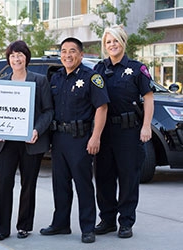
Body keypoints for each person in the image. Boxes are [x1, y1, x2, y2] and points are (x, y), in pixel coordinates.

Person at [40, 37, 109, 243]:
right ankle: (61, 223)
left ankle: (88, 227)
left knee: (83, 184)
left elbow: (102, 108)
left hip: (81, 139)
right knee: (60, 184)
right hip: (59, 138)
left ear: (80, 54)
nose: (67, 55)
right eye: (63, 51)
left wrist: (95, 137)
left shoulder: (92, 77)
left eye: (72, 51)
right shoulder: (56, 77)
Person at [93, 25, 154, 238]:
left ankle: (126, 222)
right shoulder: (99, 69)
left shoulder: (137, 69)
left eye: (115, 41)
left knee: (128, 177)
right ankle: (107, 219)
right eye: (108, 42)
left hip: (128, 131)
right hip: (105, 130)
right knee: (103, 176)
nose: (112, 45)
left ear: (123, 42)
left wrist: (146, 126)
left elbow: (148, 98)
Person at [0, 40, 54, 241]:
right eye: (12, 55)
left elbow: (48, 111)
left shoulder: (39, 80)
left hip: (31, 141)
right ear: (8, 59)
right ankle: (2, 228)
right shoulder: (2, 83)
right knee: (4, 185)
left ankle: (24, 226)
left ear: (26, 58)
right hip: (7, 142)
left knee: (29, 185)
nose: (16, 59)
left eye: (19, 55)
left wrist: (37, 129)